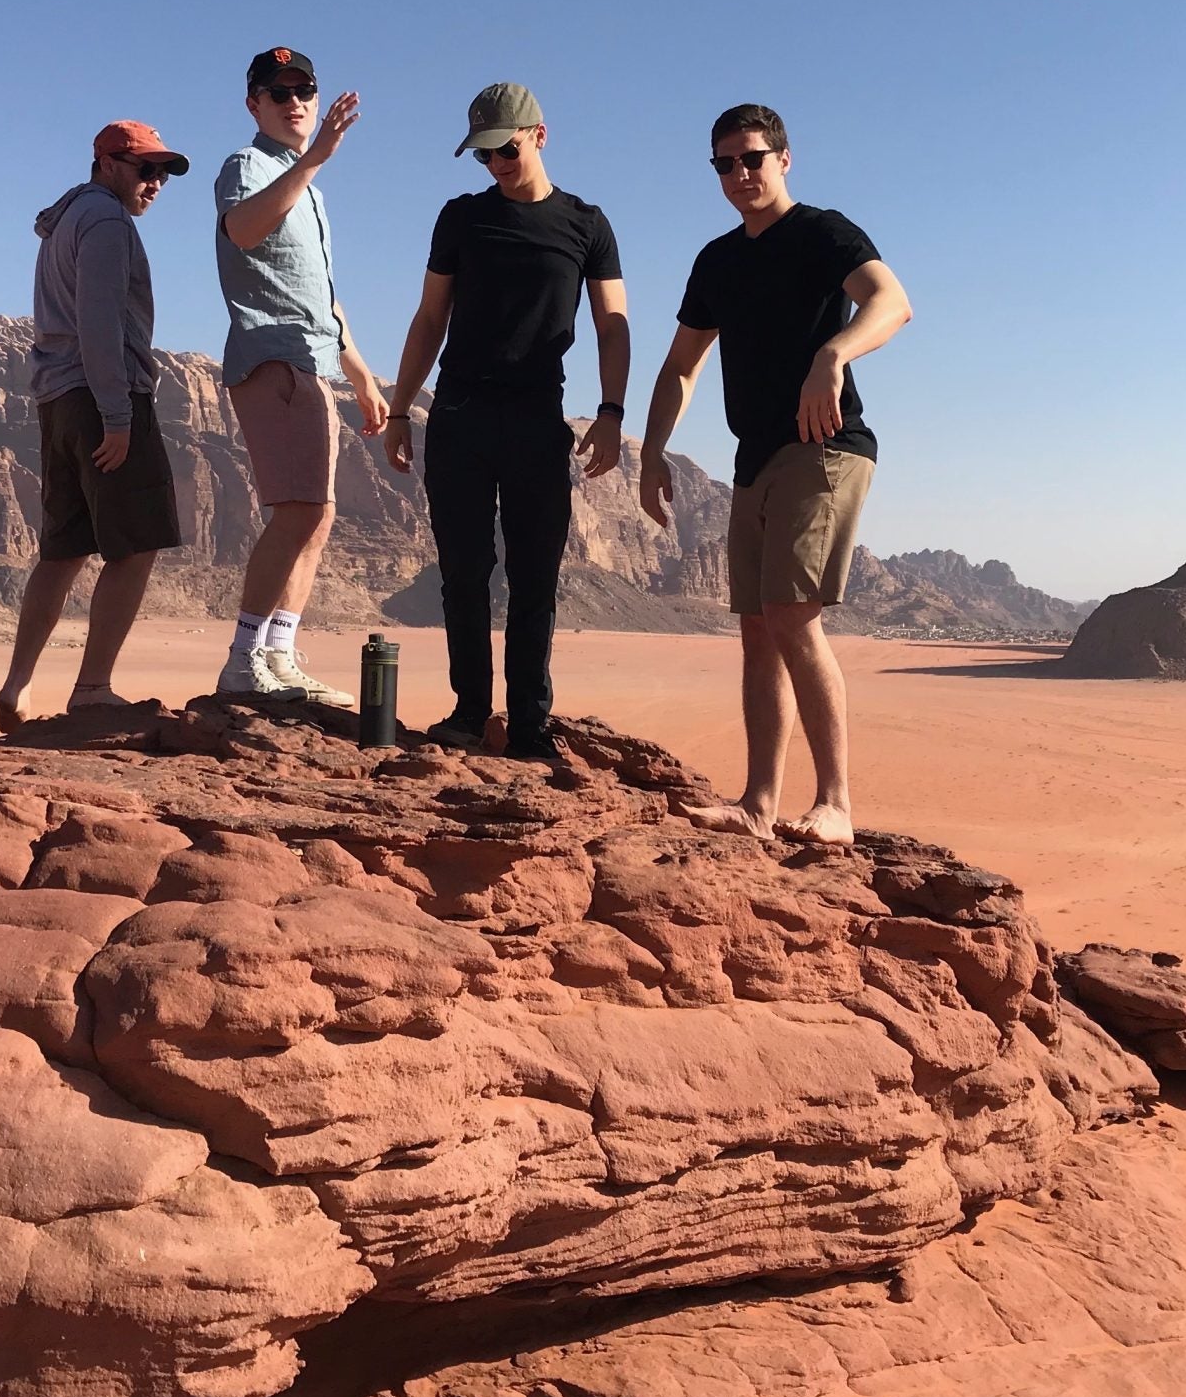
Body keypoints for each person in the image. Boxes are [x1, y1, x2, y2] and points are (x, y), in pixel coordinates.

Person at [639, 102, 911, 843]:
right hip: (754, 456)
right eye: (724, 163)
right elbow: (681, 366)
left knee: (792, 615)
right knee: (758, 630)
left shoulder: (823, 233)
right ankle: (759, 805)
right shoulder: (718, 261)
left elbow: (892, 302)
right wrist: (651, 450)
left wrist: (833, 356)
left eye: (752, 158)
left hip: (825, 444)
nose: (739, 175)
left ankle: (836, 805)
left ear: (784, 159)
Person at [383, 81, 630, 761]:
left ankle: (529, 724)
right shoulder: (461, 219)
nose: (495, 162)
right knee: (463, 571)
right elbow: (430, 318)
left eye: (506, 148)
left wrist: (611, 411)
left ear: (540, 136)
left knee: (535, 577)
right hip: (460, 415)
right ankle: (468, 712)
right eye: (483, 153)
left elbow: (613, 325)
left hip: (536, 420)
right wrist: (401, 408)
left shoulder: (586, 224)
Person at [0, 120, 190, 733]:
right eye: (144, 169)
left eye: (162, 173)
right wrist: (117, 413)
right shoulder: (106, 221)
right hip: (102, 395)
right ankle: (93, 688)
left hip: (57, 401)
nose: (155, 183)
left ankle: (17, 684)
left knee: (63, 550)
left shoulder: (65, 223)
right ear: (106, 164)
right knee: (136, 545)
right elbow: (99, 320)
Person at [210, 47, 390, 705]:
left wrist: (362, 372)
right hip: (271, 355)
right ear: (254, 103)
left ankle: (279, 656)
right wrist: (316, 157)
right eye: (278, 92)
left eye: (304, 90)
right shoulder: (247, 167)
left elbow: (323, 294)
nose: (295, 102)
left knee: (318, 516)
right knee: (298, 511)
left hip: (315, 358)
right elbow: (245, 231)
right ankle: (243, 660)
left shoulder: (309, 191)